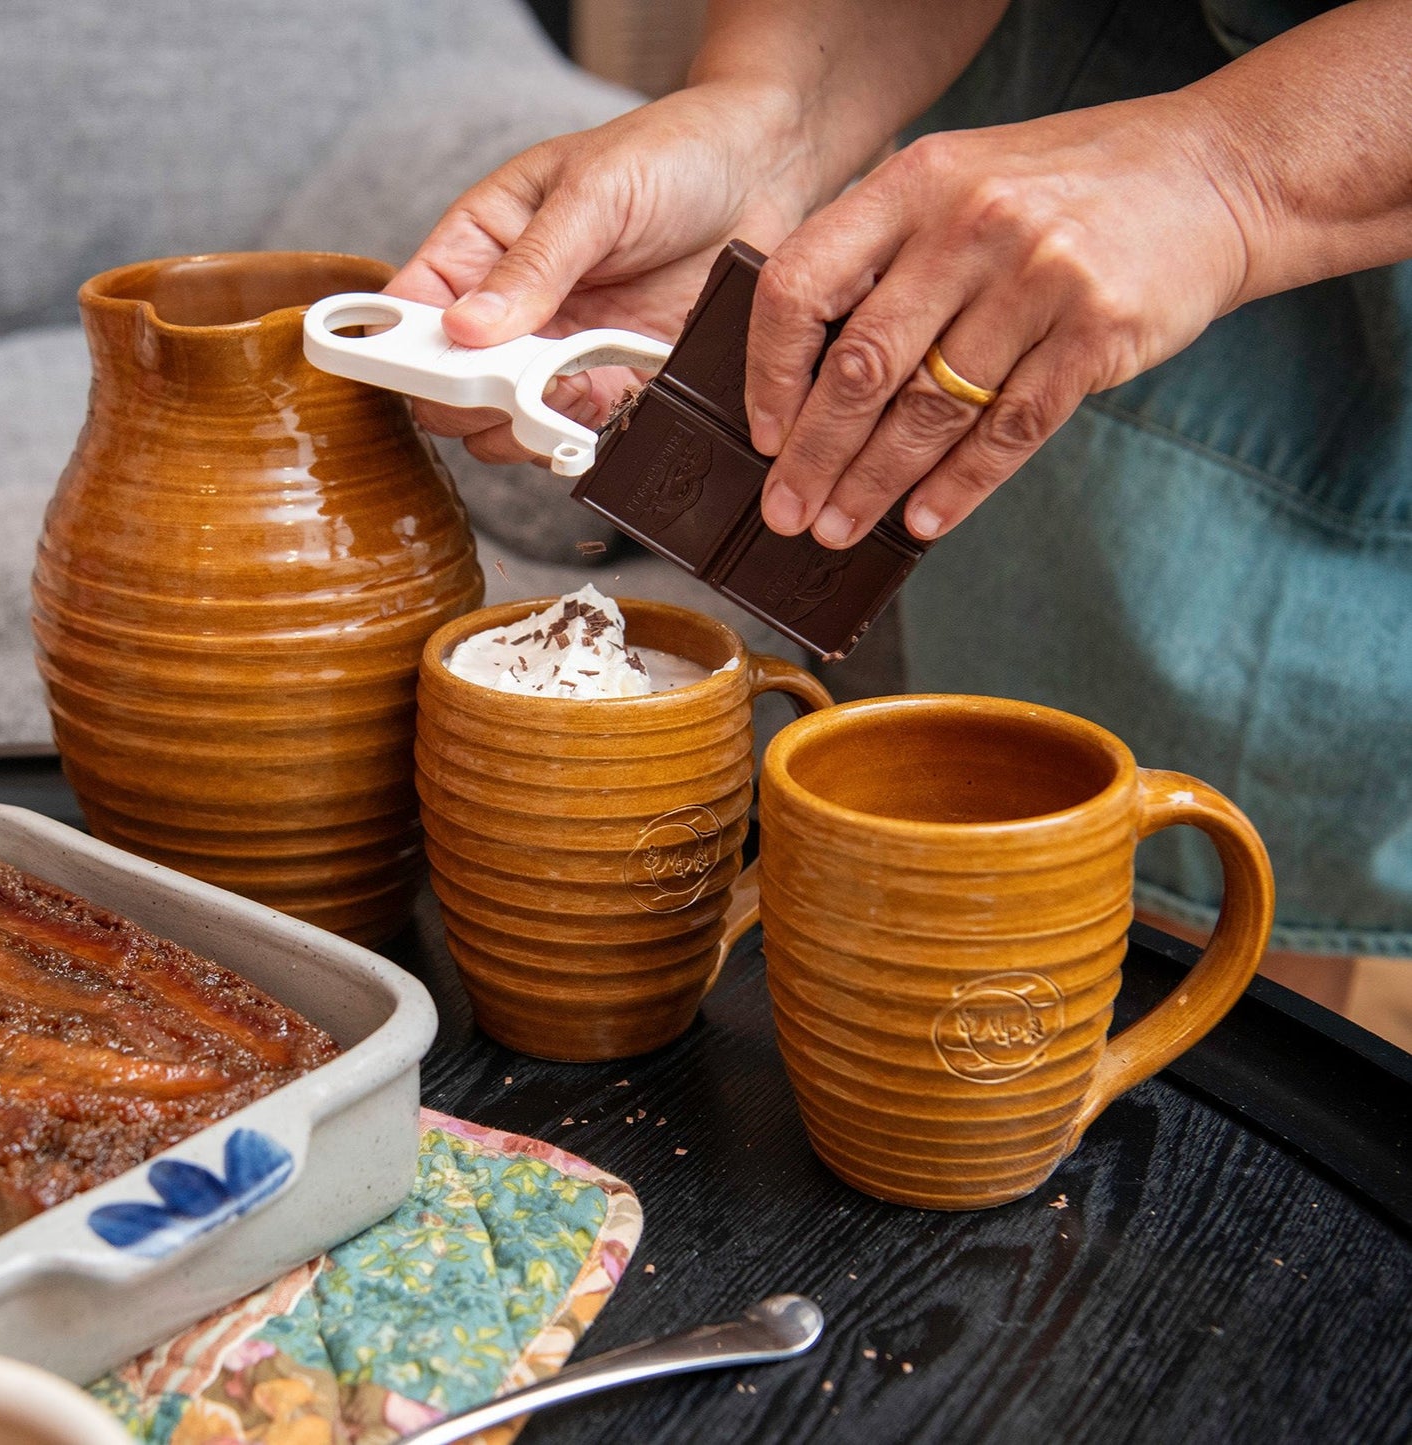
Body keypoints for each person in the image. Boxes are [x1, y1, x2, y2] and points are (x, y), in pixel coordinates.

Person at [386, 0, 1412, 993]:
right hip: (1022, 251)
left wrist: (1224, 175)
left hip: (1346, 185)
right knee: (997, 840)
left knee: (1203, 933)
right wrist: (773, 115)